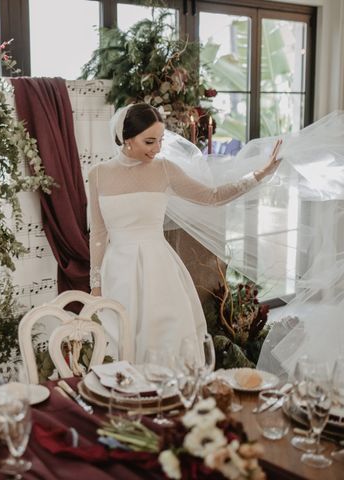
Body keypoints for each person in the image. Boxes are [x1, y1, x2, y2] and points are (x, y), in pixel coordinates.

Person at [88, 103, 282, 363]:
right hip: (118, 273)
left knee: (164, 345)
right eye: (149, 141)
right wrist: (96, 284)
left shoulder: (164, 169)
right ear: (127, 138)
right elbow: (99, 233)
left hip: (159, 271)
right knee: (122, 346)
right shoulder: (98, 175)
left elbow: (212, 197)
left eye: (160, 140)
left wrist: (258, 175)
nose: (157, 148)